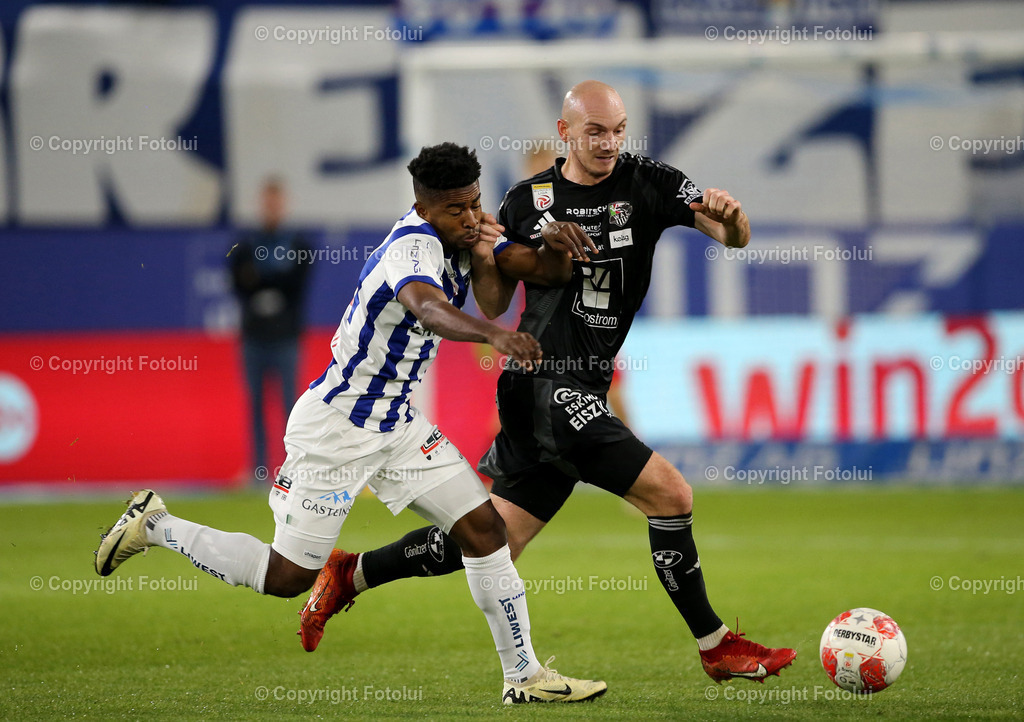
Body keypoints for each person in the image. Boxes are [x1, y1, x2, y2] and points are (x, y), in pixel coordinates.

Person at [299, 81, 798, 685]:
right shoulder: (525, 201)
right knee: (672, 496)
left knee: (494, 540)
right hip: (545, 383)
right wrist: (491, 258)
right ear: (566, 133)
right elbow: (493, 300)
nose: (609, 143)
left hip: (578, 384)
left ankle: (349, 574)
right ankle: (716, 646)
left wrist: (735, 221)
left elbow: (729, 236)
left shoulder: (649, 182)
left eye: (618, 130)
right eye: (595, 131)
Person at [94, 143, 607, 705]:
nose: (470, 217)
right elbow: (427, 306)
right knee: (288, 577)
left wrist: (556, 245)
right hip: (339, 427)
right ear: (424, 207)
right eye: (455, 209)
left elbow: (537, 269)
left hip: (399, 426)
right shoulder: (412, 246)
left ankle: (523, 678)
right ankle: (157, 525)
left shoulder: (470, 233)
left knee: (486, 531)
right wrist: (494, 335)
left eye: (474, 203)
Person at [230, 178, 311, 480]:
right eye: (267, 202)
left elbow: (296, 285)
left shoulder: (298, 244)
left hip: (286, 338)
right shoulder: (246, 245)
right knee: (255, 407)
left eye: (276, 202)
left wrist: (261, 280)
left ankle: (294, 471)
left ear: (284, 204)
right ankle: (258, 471)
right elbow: (239, 282)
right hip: (254, 338)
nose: (272, 207)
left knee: (292, 408)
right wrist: (276, 280)